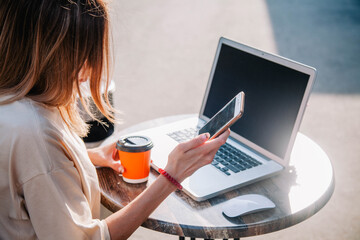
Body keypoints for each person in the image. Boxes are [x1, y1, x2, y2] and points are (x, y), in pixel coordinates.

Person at [0, 1, 230, 239]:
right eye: (85, 52)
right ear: (57, 56)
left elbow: (23, 170)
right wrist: (172, 176)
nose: (89, 66)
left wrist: (86, 157)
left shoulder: (17, 103)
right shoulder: (35, 135)